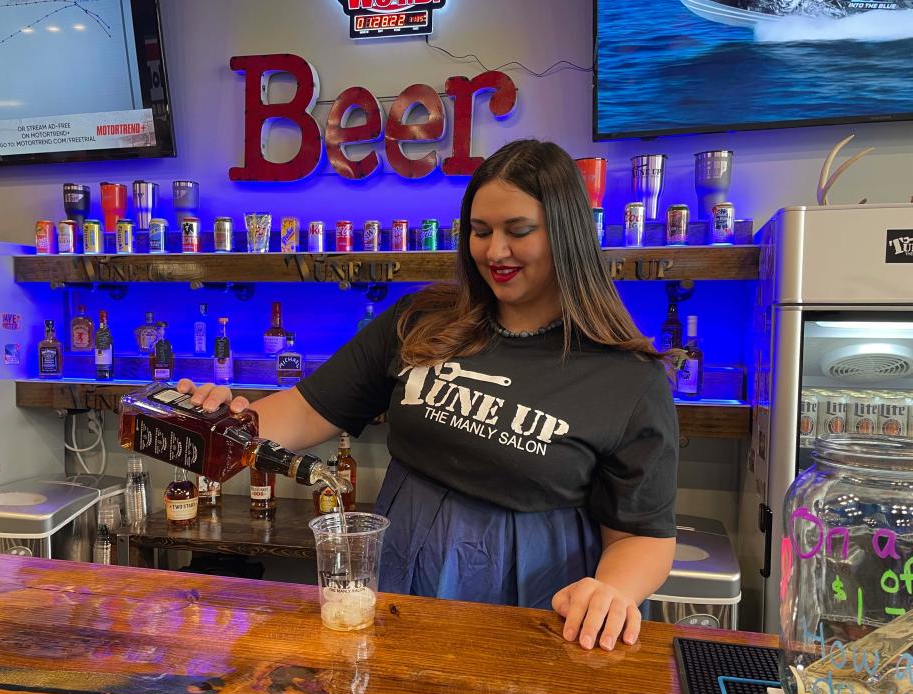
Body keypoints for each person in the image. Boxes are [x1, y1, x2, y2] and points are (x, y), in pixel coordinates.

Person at [179, 139, 678, 652]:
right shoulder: (423, 320)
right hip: (403, 563)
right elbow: (309, 408)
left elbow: (644, 534)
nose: (494, 251)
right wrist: (223, 422)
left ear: (568, 235)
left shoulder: (628, 378)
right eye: (480, 232)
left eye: (518, 231)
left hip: (536, 591)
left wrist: (613, 591)